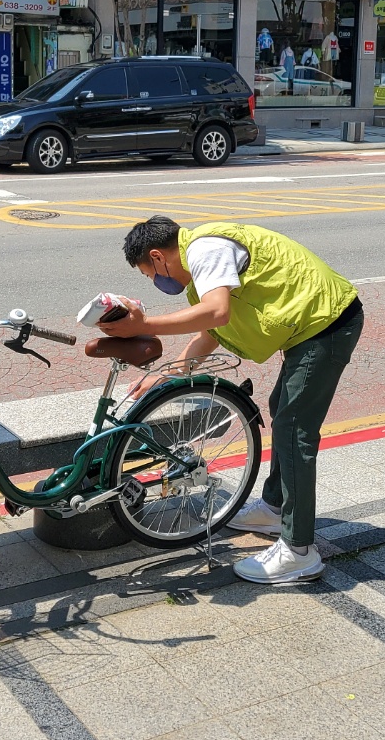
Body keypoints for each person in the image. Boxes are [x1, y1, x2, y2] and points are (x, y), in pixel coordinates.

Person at [103, 217, 363, 585]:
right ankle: (275, 510)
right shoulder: (200, 264)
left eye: (150, 274)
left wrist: (143, 326)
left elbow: (217, 313)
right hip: (312, 327)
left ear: (159, 257)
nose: (156, 282)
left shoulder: (206, 251)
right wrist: (167, 374)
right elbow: (212, 332)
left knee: (294, 430)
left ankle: (299, 551)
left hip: (329, 325)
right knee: (284, 413)